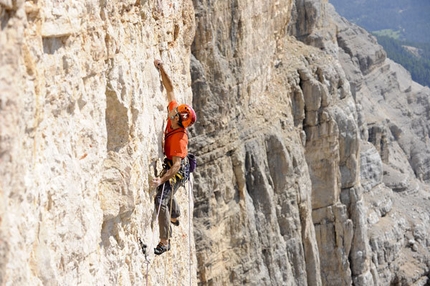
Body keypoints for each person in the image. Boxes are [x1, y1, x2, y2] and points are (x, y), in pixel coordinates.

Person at [151, 59, 196, 255]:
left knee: (161, 198)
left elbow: (176, 166)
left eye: (176, 112)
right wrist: (162, 69)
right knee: (167, 191)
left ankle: (164, 240)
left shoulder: (179, 139)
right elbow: (171, 89)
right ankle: (175, 215)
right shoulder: (174, 118)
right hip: (176, 163)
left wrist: (161, 178)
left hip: (178, 167)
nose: (172, 111)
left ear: (178, 119)